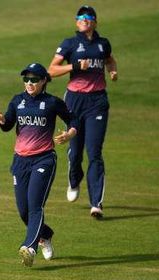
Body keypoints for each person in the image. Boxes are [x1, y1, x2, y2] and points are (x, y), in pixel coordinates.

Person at [0, 63, 78, 267]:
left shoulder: (52, 103)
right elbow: (8, 125)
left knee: (35, 205)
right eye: (26, 79)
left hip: (43, 159)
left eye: (34, 80)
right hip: (20, 161)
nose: (29, 83)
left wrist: (69, 134)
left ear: (44, 80)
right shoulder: (17, 101)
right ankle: (45, 235)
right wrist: (1, 119)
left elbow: (73, 120)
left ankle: (29, 247)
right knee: (23, 211)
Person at [48, 5, 118, 219]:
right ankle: (73, 179)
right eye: (80, 16)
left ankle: (96, 203)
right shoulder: (69, 44)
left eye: (88, 17)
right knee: (75, 151)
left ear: (95, 21)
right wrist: (75, 66)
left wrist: (113, 70)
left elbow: (110, 59)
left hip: (97, 102)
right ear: (76, 21)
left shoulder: (102, 43)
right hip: (74, 100)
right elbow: (51, 70)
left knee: (94, 152)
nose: (84, 19)